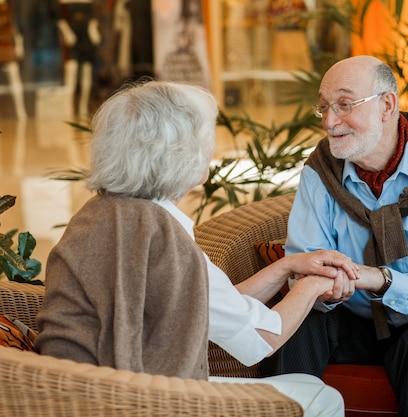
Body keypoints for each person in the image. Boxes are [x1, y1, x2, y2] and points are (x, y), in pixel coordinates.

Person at [34, 80, 360, 417]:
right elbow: (259, 340)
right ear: (181, 153)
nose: (212, 148)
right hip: (139, 398)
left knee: (310, 388)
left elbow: (207, 302)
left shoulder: (101, 212)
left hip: (77, 389)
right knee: (323, 399)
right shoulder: (160, 233)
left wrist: (286, 267)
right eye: (206, 138)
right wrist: (314, 285)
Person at [260, 55, 408, 416]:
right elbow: (306, 262)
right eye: (324, 107)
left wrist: (379, 280)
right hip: (356, 321)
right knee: (301, 316)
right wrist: (321, 286)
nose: (329, 121)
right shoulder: (321, 171)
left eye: (344, 104)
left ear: (387, 105)